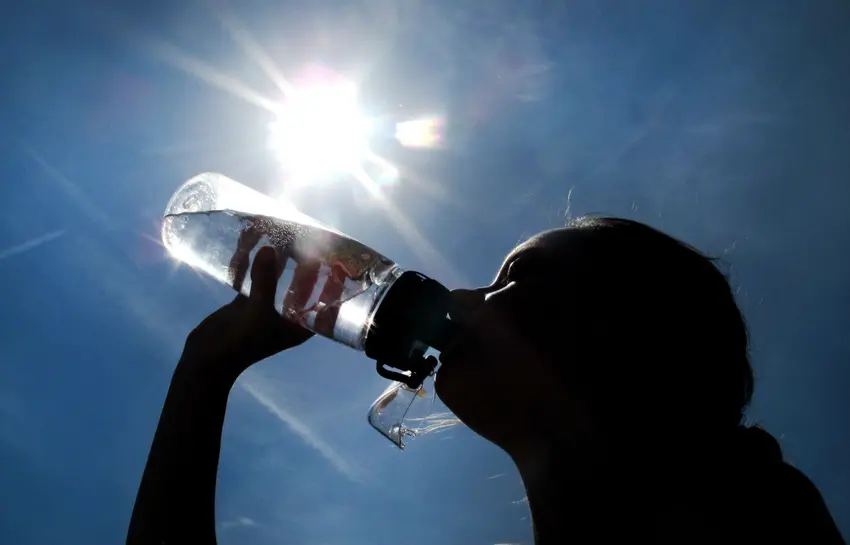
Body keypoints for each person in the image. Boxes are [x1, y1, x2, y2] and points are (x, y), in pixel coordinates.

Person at [127, 216, 845, 544]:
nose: (464, 296)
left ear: (630, 325)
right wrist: (206, 366)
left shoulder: (751, 505)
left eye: (514, 279)